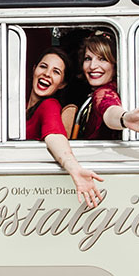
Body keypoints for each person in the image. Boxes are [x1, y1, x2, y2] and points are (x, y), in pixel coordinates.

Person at [24, 50, 101, 206]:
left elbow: (55, 135)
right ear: (34, 70)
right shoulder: (18, 106)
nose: (47, 74)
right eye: (43, 67)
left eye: (56, 72)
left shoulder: (49, 105)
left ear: (62, 83)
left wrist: (74, 168)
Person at [71, 32, 139, 141]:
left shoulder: (104, 92)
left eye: (102, 59)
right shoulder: (116, 89)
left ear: (115, 64)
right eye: (88, 58)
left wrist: (123, 119)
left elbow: (109, 109)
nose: (92, 66)